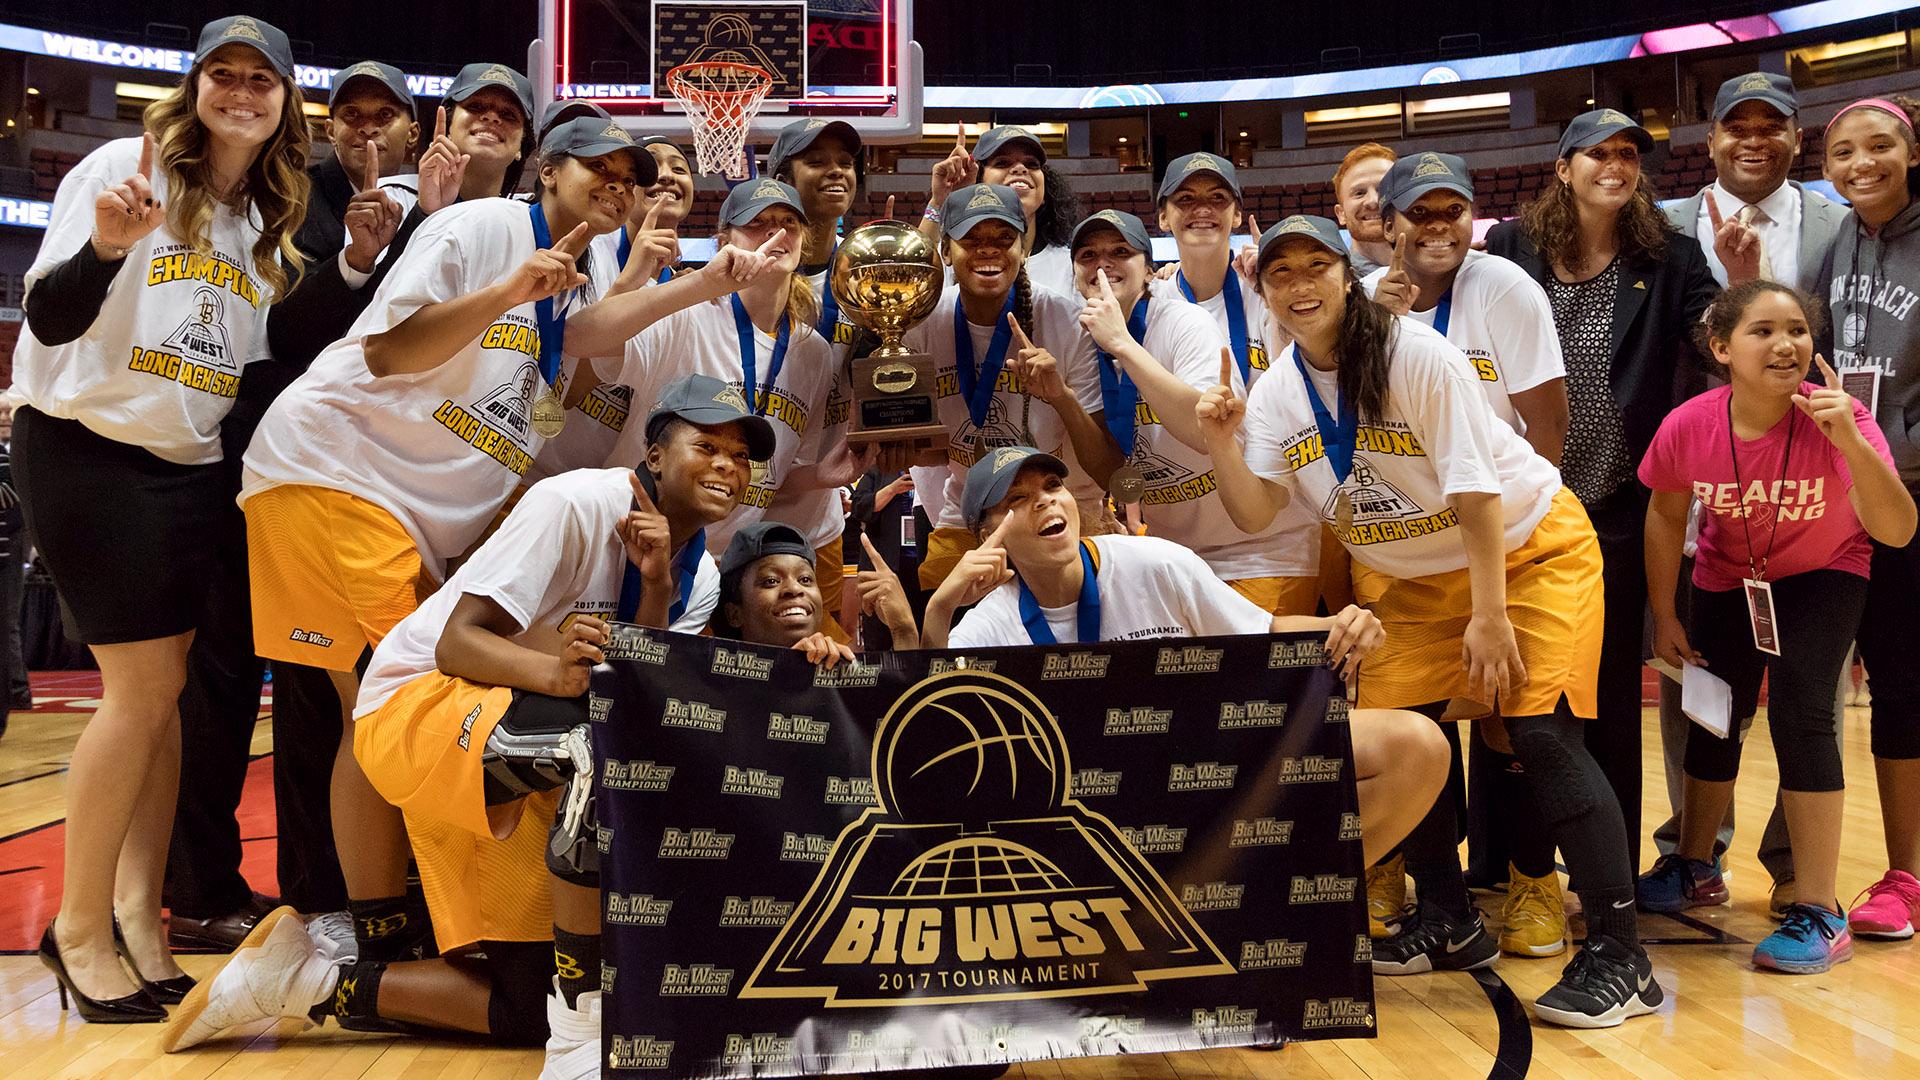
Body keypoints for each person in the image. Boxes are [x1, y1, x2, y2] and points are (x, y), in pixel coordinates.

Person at [163, 374, 768, 1077]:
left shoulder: (698, 579)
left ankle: (303, 983)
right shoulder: (573, 501)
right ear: (656, 456)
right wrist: (557, 675)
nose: (727, 464)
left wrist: (658, 588)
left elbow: (636, 697)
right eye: (708, 445)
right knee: (593, 749)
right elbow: (457, 644)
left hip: (524, 751)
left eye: (741, 455)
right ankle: (580, 1032)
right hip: (417, 706)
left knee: (519, 1007)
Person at [1206, 216, 1659, 1028]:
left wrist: (1490, 615)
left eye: (1317, 265)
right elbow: (1255, 509)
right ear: (1264, 289)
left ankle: (1623, 955)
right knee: (1404, 734)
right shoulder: (1277, 391)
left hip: (1523, 551)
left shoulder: (1416, 354)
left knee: (1540, 735)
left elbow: (1475, 489)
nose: (1300, 284)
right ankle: (1448, 920)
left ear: (1348, 276)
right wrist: (1220, 444)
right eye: (1281, 274)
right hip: (1413, 579)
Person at [240, 116, 652, 969]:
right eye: (597, 168)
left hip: (395, 509)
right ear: (547, 169)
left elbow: (586, 336)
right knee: (396, 706)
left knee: (384, 711)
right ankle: (377, 931)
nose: (615, 183)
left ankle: (385, 926)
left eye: (629, 175)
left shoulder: (587, 266)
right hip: (340, 477)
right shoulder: (482, 226)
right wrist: (509, 291)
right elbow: (389, 352)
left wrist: (708, 283)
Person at [9, 14, 310, 1021]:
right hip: (87, 448)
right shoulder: (120, 165)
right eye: (220, 74)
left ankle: (140, 912)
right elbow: (49, 314)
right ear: (192, 91)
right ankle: (79, 928)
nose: (240, 91)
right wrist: (106, 244)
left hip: (187, 465)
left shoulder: (257, 223)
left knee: (168, 694)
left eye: (259, 79)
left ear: (281, 104)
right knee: (139, 694)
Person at [921, 446, 1447, 882]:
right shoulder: (987, 625)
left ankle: (1293, 894)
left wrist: (1347, 626)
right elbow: (930, 737)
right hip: (1084, 823)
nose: (1044, 502)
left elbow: (1263, 633)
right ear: (984, 536)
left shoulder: (1155, 562)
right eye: (1017, 500)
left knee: (1415, 747)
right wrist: (939, 610)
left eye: (1052, 486)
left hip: (1202, 782)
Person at [171, 57, 424, 959]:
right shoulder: (293, 200)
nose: (365, 127)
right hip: (268, 471)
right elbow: (279, 337)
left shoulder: (447, 211)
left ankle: (344, 890)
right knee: (227, 681)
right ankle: (204, 890)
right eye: (348, 113)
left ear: (410, 125)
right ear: (325, 127)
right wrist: (353, 257)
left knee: (347, 695)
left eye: (382, 113)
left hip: (385, 489)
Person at [1639, 280, 1914, 972]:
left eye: (1797, 329)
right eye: (1763, 331)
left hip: (1826, 570)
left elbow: (1898, 530)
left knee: (1800, 712)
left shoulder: (1842, 417)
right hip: (1730, 576)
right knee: (1713, 714)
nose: (1786, 343)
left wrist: (1849, 439)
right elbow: (1667, 513)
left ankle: (1820, 910)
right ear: (1722, 348)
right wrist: (1666, 613)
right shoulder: (1690, 424)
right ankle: (1695, 865)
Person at [1485, 109, 1723, 875]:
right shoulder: (1513, 248)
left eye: (1628, 154)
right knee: (1507, 692)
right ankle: (1502, 865)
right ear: (1563, 168)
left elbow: (1716, 331)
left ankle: (1606, 872)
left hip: (1616, 508)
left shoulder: (1674, 259)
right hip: (1521, 503)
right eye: (1598, 153)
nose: (1615, 165)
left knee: (1609, 698)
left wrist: (1743, 288)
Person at [1654, 71, 1853, 918]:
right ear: (1711, 138)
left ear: (1795, 139)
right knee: (1698, 691)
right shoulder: (1663, 226)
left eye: (1773, 124)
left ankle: (1798, 873)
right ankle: (1694, 853)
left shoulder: (1836, 223)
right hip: (1701, 465)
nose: (1754, 138)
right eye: (1737, 124)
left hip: (1811, 488)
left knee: (1811, 699)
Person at [1364, 150, 1572, 957]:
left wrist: (1516, 545)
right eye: (1420, 212)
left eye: (1452, 210)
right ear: (1389, 226)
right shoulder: (1365, 306)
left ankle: (1533, 881)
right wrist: (1373, 324)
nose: (1438, 225)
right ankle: (1414, 880)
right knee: (1410, 714)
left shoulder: (1505, 289)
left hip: (1498, 536)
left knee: (1509, 720)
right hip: (1407, 541)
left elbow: (1547, 426)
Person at [566, 178, 866, 645]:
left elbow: (767, 478)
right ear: (724, 241)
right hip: (626, 535)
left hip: (714, 567)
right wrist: (703, 282)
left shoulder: (814, 353)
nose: (776, 233)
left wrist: (821, 475)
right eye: (758, 224)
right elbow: (579, 338)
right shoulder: (689, 313)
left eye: (789, 223)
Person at [1067, 207, 1317, 612]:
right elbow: (1112, 465)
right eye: (1088, 256)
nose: (1103, 264)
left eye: (1119, 251)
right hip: (1175, 553)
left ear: (1149, 270)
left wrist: (1124, 346)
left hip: (1261, 547)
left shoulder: (1185, 322)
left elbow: (1206, 435)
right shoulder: (1084, 339)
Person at [884, 184, 1103, 591]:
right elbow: (929, 450)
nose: (988, 250)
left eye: (1004, 239)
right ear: (946, 251)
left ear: (1024, 247)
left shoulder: (1066, 321)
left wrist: (1061, 398)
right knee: (946, 623)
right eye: (971, 239)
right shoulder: (919, 325)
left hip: (1059, 508)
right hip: (971, 513)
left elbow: (1104, 463)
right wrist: (891, 447)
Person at [1820, 94, 1920, 942]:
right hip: (1839, 492)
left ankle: (1905, 873)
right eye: (1845, 151)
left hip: (1909, 491)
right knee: (1838, 686)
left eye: (1880, 146)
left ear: (1912, 151)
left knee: (1903, 686)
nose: (1863, 163)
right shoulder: (1832, 240)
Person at [767, 118, 868, 639]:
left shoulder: (867, 273)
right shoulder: (756, 273)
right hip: (741, 507)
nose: (835, 171)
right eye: (816, 160)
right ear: (784, 174)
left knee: (823, 655)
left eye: (845, 162)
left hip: (820, 512)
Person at [925, 125, 1084, 297]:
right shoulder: (957, 253)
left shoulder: (1071, 265)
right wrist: (940, 202)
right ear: (978, 183)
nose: (1021, 169)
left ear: (1045, 192)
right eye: (1002, 163)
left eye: (1032, 164)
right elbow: (910, 278)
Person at [1333, 143, 1397, 277]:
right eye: (1359, 193)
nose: (1373, 201)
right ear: (1341, 214)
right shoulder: (1334, 285)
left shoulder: (1440, 274)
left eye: (1383, 189)